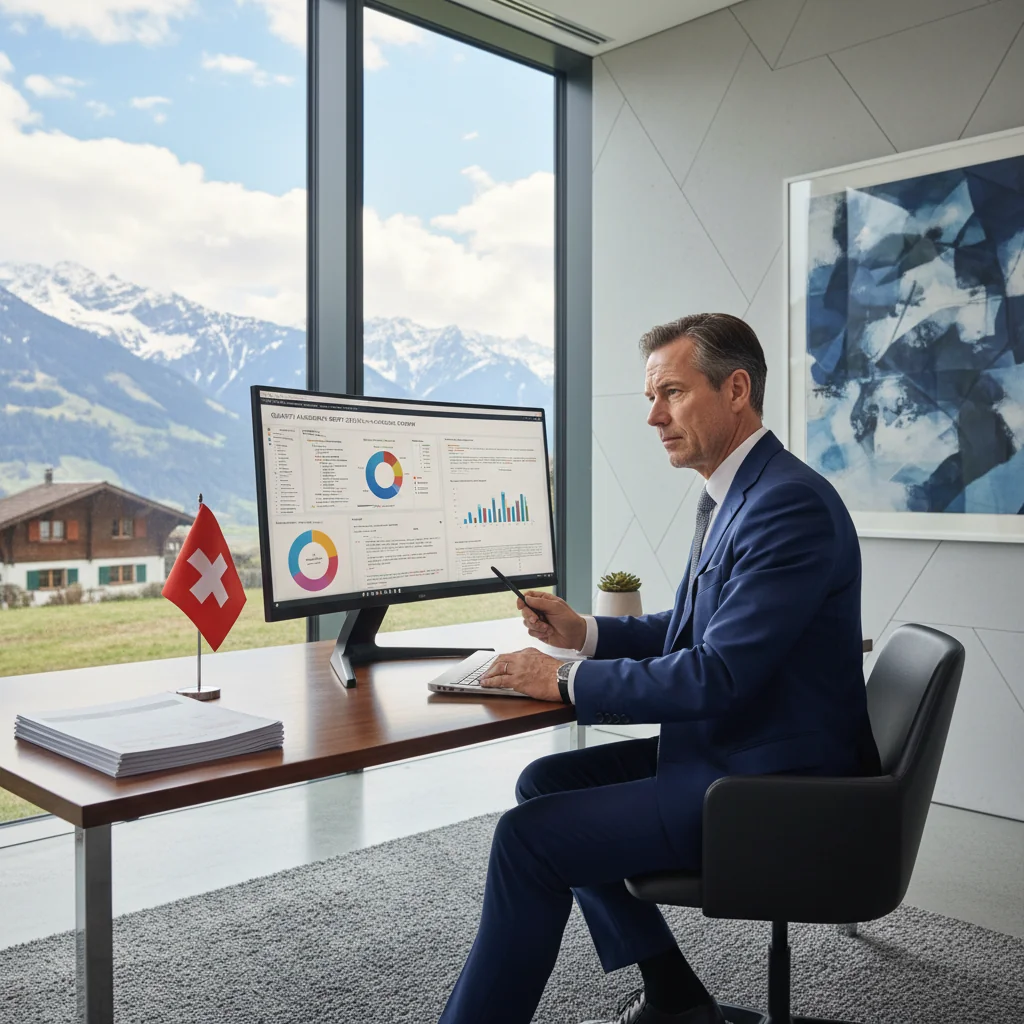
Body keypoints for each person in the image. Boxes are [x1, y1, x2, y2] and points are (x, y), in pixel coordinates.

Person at [437, 313, 881, 1024]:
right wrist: (582, 635)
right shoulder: (738, 492)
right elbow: (687, 632)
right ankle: (676, 996)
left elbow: (714, 675)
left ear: (736, 389)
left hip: (769, 786)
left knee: (527, 843)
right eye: (652, 397)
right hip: (737, 754)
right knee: (544, 780)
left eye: (671, 393)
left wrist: (556, 681)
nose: (653, 416)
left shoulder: (786, 505)